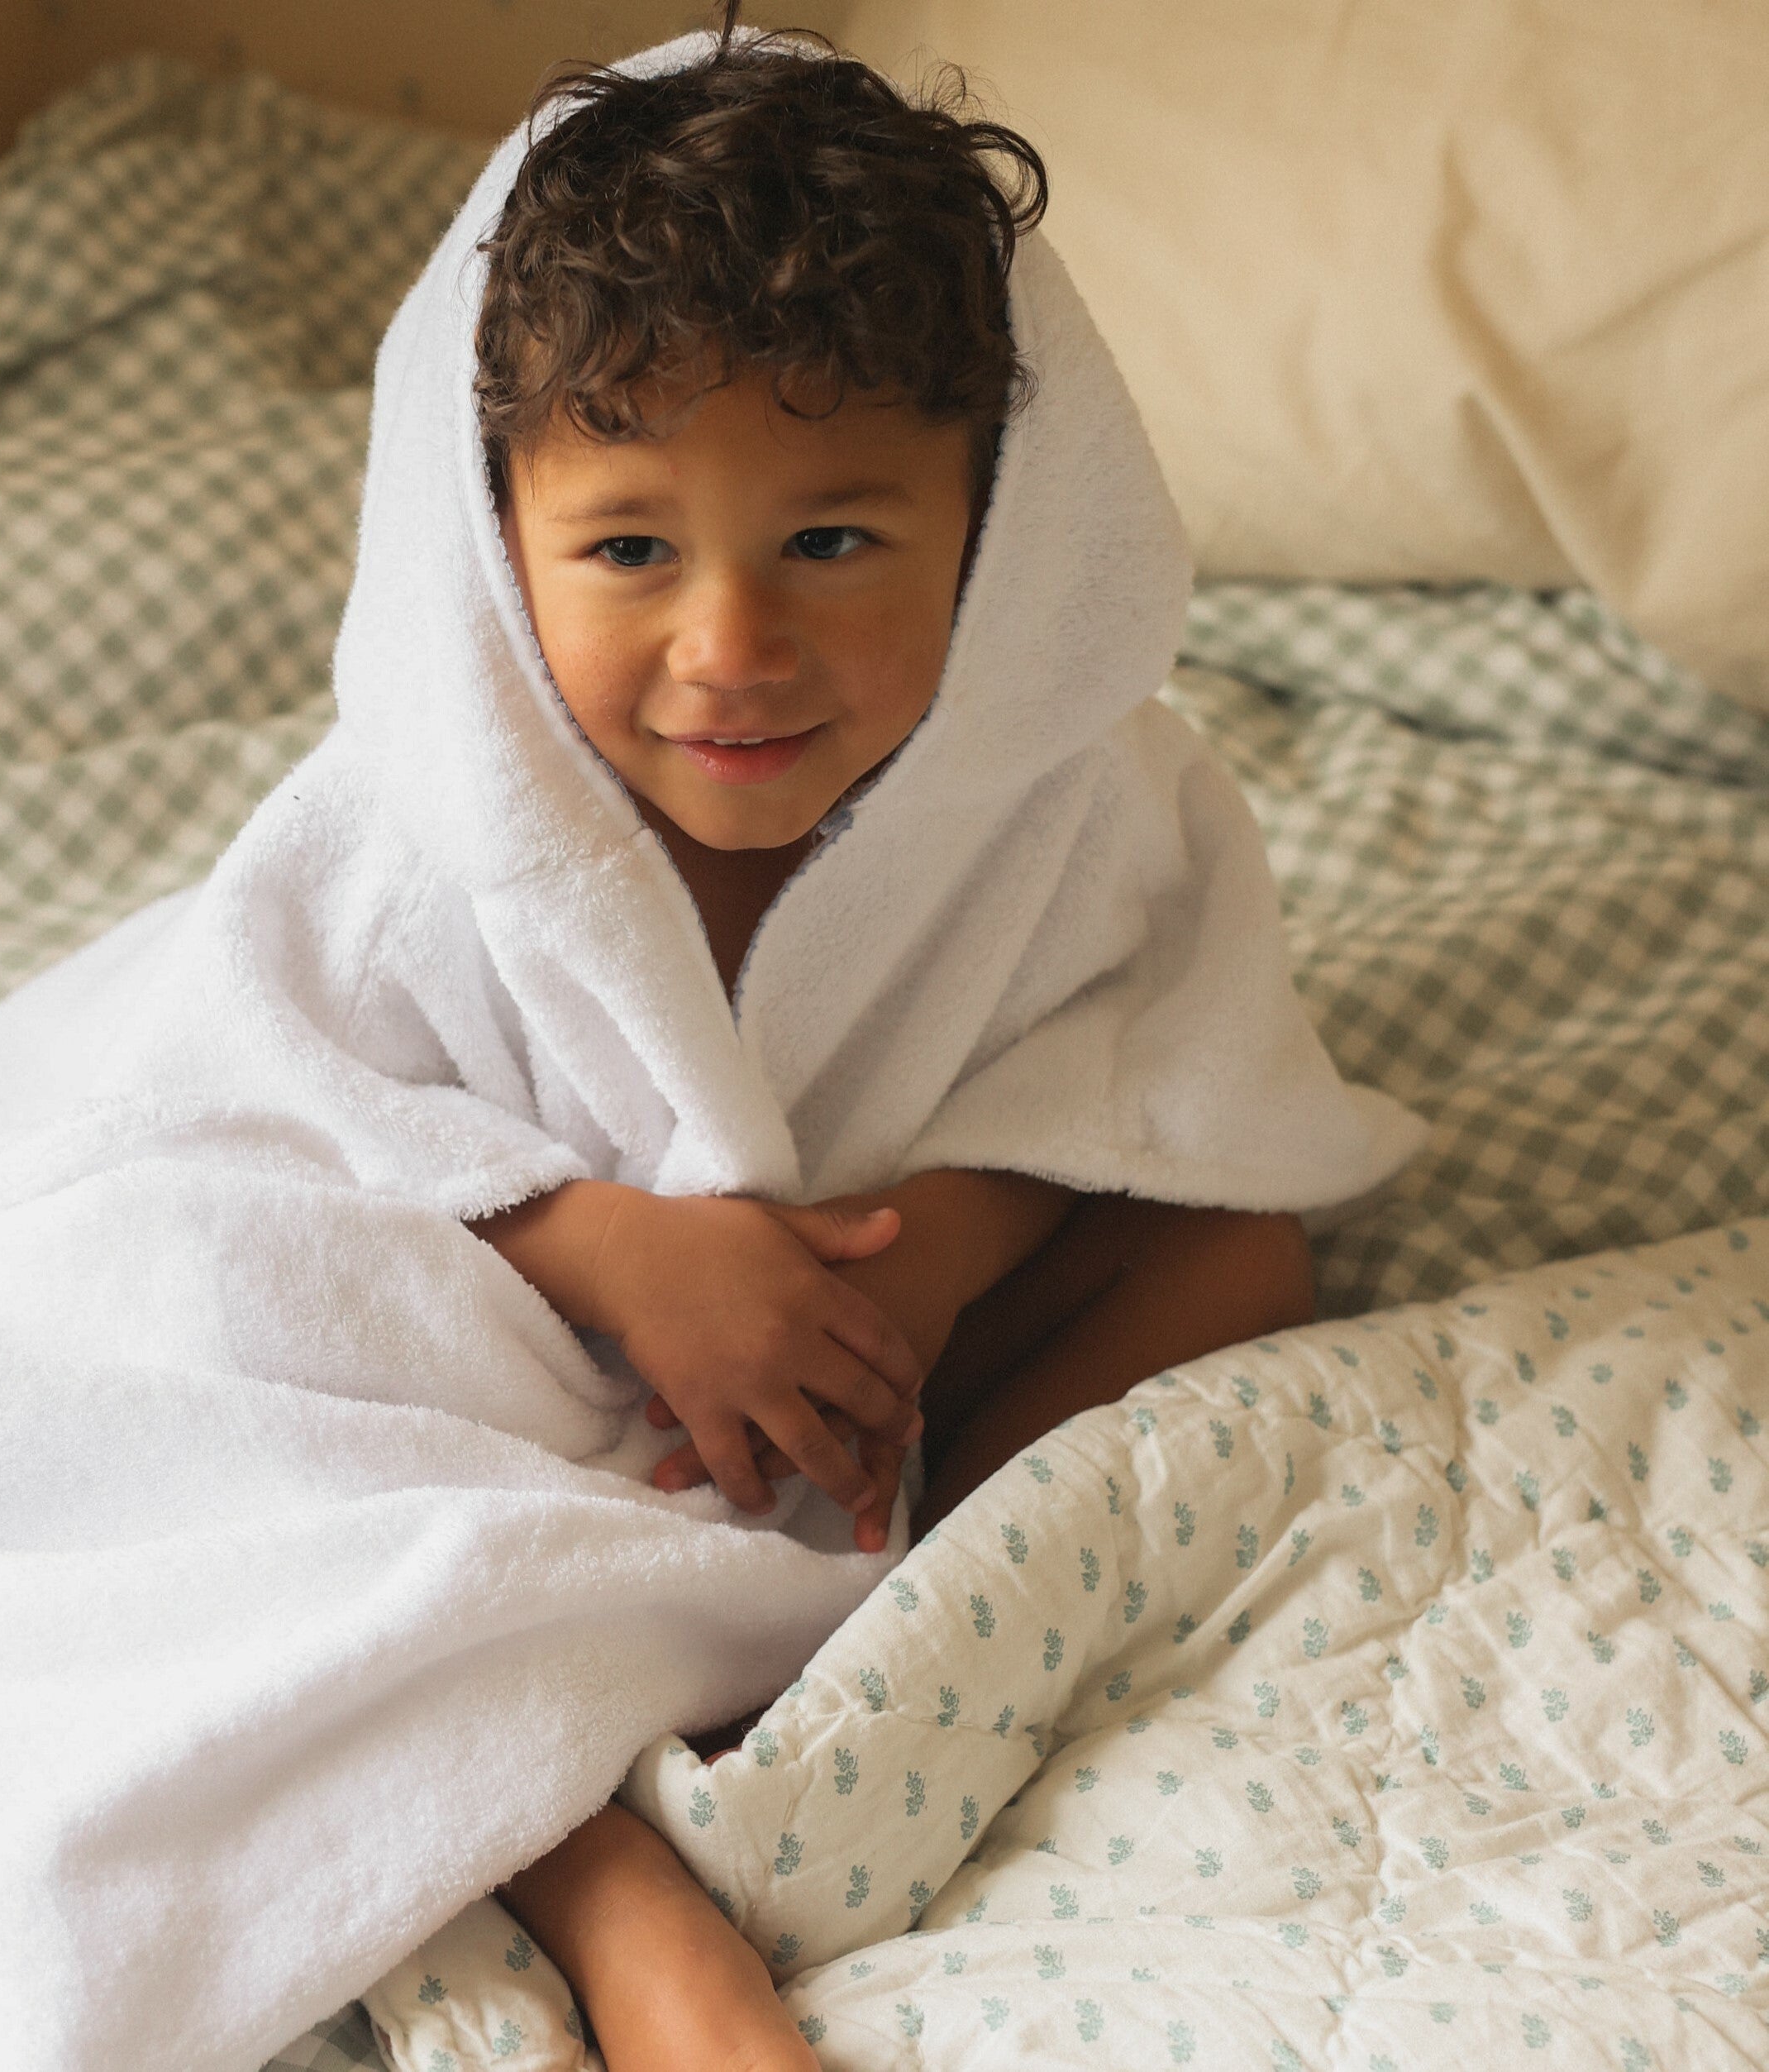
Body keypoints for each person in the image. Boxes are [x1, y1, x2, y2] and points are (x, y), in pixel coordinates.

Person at [456, 19, 1393, 2068]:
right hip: (526, 1373)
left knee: (1237, 1262)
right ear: (489, 532)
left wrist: (930, 1251)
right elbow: (263, 1144)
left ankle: (852, 1640)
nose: (731, 650)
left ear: (996, 521)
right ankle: (603, 1880)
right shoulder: (428, 824)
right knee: (299, 1457)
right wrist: (615, 1247)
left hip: (862, 1362)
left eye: (832, 538)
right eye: (627, 546)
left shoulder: (1068, 794)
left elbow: (1148, 1063)